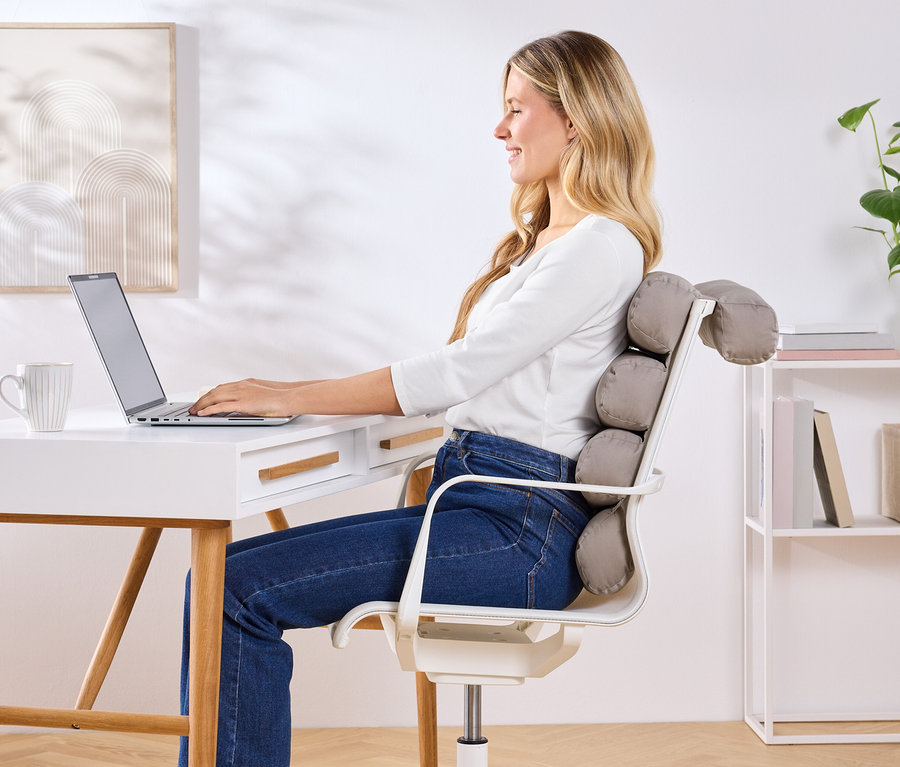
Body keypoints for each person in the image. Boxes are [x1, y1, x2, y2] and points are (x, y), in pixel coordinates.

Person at [178, 29, 661, 767]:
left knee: (231, 588)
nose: (500, 129)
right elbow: (468, 381)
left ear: (576, 119)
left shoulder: (599, 246)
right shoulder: (553, 245)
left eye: (516, 109)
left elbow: (456, 374)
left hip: (518, 530)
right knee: (219, 579)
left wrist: (288, 394)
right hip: (479, 503)